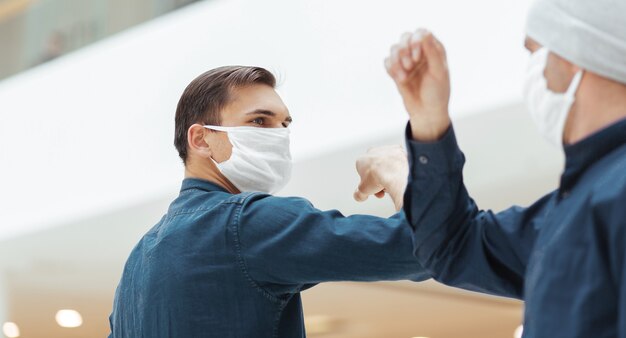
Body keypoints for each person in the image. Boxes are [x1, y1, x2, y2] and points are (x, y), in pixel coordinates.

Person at [355, 0, 626, 336]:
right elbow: (453, 246)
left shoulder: (613, 195)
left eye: (533, 52)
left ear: (572, 55)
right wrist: (429, 121)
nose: (531, 73)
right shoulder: (573, 206)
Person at [108, 66, 429, 337]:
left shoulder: (139, 261)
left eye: (284, 124)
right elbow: (427, 248)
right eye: (260, 121)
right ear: (201, 139)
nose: (279, 135)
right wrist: (398, 172)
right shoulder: (246, 224)